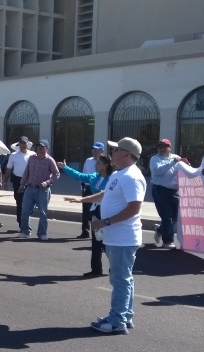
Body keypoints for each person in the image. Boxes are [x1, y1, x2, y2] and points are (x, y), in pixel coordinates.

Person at [87, 138, 145, 334]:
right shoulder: (120, 174)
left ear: (127, 154)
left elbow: (134, 207)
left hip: (123, 238)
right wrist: (82, 199)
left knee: (120, 279)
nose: (111, 153)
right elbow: (105, 195)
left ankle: (116, 320)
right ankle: (124, 316)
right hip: (117, 237)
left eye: (115, 150)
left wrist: (106, 222)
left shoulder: (132, 177)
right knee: (123, 278)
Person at [61, 155, 115, 276]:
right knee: (96, 240)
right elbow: (80, 176)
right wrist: (66, 168)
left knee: (106, 241)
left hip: (107, 211)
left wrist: (81, 199)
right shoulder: (95, 176)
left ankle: (115, 267)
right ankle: (96, 269)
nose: (95, 165)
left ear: (105, 166)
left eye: (98, 164)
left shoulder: (112, 178)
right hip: (96, 210)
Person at [17, 139, 60, 240]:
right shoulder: (32, 158)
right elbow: (26, 172)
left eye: (42, 147)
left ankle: (42, 234)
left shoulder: (50, 160)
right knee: (25, 211)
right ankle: (25, 231)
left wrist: (47, 182)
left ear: (47, 149)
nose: (39, 149)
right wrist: (22, 185)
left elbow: (56, 174)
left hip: (43, 191)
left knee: (43, 213)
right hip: (30, 188)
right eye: (38, 147)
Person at [149, 138, 183, 249]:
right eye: (160, 147)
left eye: (165, 147)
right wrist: (173, 162)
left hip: (174, 190)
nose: (162, 149)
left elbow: (183, 170)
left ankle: (159, 229)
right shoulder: (155, 159)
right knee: (167, 217)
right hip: (160, 190)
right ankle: (167, 241)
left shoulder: (176, 157)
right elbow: (157, 172)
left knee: (175, 218)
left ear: (170, 148)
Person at [4, 136, 34, 226]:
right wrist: (6, 182)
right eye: (21, 143)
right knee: (19, 201)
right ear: (19, 144)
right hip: (18, 181)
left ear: (27, 144)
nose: (23, 145)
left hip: (29, 181)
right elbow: (8, 169)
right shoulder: (13, 155)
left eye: (24, 143)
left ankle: (25, 219)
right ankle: (21, 221)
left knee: (30, 203)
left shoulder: (33, 155)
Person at [78, 142, 106, 238]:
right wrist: (82, 185)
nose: (94, 151)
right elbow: (84, 174)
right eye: (93, 149)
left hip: (100, 189)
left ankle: (99, 234)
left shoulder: (106, 161)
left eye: (97, 149)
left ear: (102, 150)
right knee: (86, 211)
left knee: (98, 212)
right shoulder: (88, 161)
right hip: (88, 188)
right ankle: (85, 231)